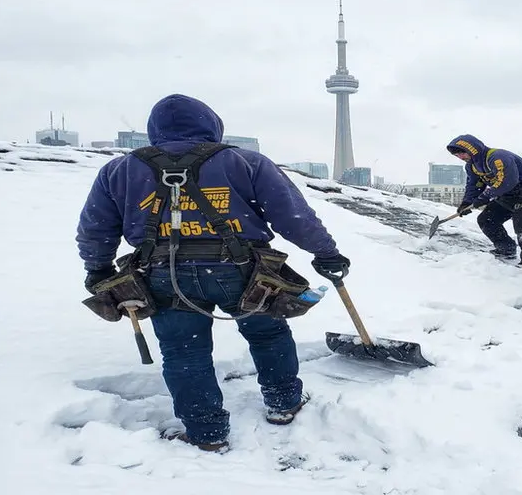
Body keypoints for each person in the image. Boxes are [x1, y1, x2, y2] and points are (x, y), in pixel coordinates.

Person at [76, 94, 350, 452]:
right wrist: (326, 253)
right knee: (267, 334)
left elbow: (96, 227)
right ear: (211, 124)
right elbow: (292, 215)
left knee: (183, 352)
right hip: (245, 273)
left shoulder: (120, 170)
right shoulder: (244, 162)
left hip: (163, 274)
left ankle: (206, 433)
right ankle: (284, 403)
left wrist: (97, 268)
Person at [446, 134, 522, 268]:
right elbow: (474, 185)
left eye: (462, 152)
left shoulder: (498, 158)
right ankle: (506, 249)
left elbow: (507, 181)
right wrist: (467, 203)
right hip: (509, 195)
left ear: (473, 149)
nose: (461, 157)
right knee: (487, 219)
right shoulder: (472, 166)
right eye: (457, 155)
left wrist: (484, 198)